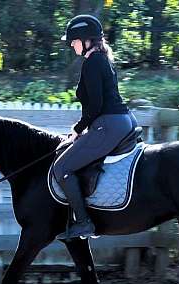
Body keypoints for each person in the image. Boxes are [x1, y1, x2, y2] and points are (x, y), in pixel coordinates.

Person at [54, 14, 138, 240]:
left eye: (73, 40)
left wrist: (79, 129)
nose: (71, 45)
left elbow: (96, 105)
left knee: (61, 169)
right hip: (121, 120)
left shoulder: (92, 63)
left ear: (86, 40)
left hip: (108, 124)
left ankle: (83, 223)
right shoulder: (102, 59)